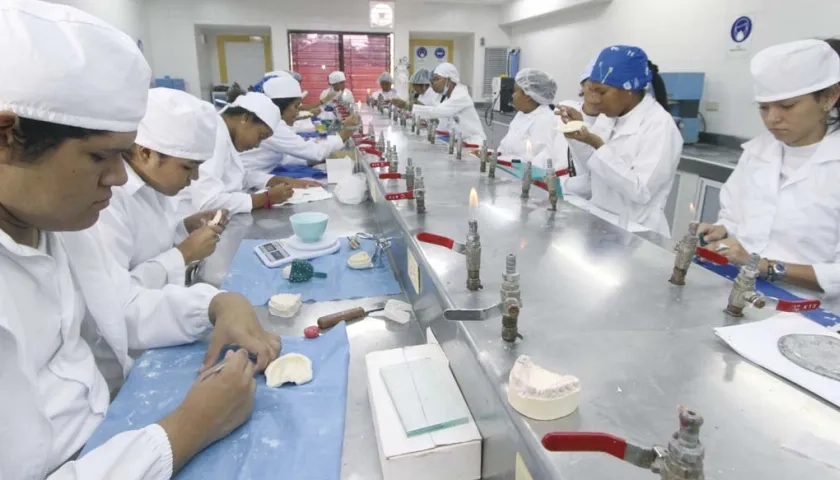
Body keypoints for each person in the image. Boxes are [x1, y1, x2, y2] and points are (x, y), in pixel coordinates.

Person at [0, 2, 280, 478]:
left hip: (112, 428)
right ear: (7, 136)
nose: (117, 176)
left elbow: (120, 305)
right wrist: (186, 429)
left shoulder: (50, 221)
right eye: (100, 157)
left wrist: (216, 305)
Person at [698, 39, 840, 294]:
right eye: (764, 108)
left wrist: (766, 266)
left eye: (787, 106)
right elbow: (736, 216)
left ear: (829, 98)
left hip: (809, 311)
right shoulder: (758, 152)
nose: (773, 119)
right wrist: (722, 229)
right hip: (740, 288)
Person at [98, 88, 229, 291]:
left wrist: (185, 228)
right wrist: (184, 254)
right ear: (146, 154)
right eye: (188, 167)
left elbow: (152, 245)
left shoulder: (154, 185)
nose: (195, 177)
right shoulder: (106, 201)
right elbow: (116, 298)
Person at [557, 45, 682, 236]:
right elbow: (593, 170)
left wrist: (597, 145)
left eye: (601, 92)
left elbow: (641, 191)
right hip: (601, 220)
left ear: (629, 89)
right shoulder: (608, 116)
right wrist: (578, 134)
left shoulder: (659, 125)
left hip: (637, 232)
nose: (594, 99)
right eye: (590, 90)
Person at [180, 92, 300, 215]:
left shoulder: (225, 134)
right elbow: (207, 202)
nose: (257, 145)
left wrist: (273, 180)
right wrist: (265, 198)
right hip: (190, 219)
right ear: (245, 118)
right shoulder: (215, 138)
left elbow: (235, 175)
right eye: (260, 136)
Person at [242, 75, 360, 171]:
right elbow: (315, 152)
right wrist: (345, 133)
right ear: (280, 107)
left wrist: (308, 160)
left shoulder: (276, 124)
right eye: (296, 106)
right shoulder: (273, 127)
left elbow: (283, 156)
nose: (298, 111)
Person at [411, 62, 486, 144]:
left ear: (449, 80)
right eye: (433, 80)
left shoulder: (461, 95)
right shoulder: (446, 97)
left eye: (437, 79)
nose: (434, 84)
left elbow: (438, 112)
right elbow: (442, 122)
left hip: (473, 143)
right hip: (459, 141)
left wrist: (409, 106)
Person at [497, 68, 558, 167]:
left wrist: (500, 160)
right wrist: (494, 155)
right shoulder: (521, 115)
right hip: (508, 173)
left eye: (515, 91)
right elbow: (505, 147)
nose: (512, 96)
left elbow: (537, 162)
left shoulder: (546, 120)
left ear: (528, 95)